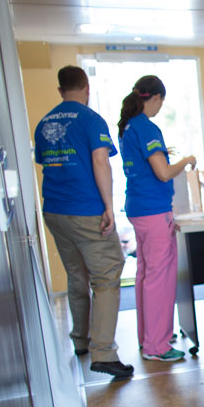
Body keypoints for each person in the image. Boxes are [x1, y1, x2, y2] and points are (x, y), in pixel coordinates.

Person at [35, 66, 133, 379]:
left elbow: (46, 163)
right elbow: (100, 161)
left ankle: (80, 339)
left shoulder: (44, 122)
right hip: (85, 210)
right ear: (86, 86)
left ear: (60, 88)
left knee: (76, 274)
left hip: (54, 211)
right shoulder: (91, 120)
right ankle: (103, 352)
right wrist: (108, 207)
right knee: (106, 276)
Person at [117, 75, 196, 362]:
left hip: (139, 209)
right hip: (153, 210)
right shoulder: (146, 126)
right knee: (159, 279)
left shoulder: (128, 126)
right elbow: (163, 173)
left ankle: (149, 336)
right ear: (157, 98)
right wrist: (185, 161)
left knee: (145, 275)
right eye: (162, 101)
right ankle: (157, 346)